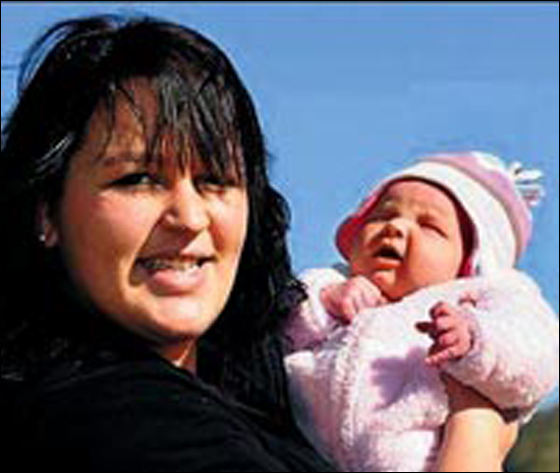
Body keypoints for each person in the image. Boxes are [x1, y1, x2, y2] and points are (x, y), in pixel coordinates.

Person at [0, 14, 517, 473]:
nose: (189, 217)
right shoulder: (112, 413)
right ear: (46, 210)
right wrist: (476, 424)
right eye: (138, 179)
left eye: (215, 180)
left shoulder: (270, 390)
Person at [285, 152, 559, 472]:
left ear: (472, 261)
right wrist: (324, 301)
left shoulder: (484, 296)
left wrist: (476, 339)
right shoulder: (333, 282)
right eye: (383, 215)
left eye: (429, 225)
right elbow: (276, 329)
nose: (395, 227)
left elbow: (537, 351)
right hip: (299, 454)